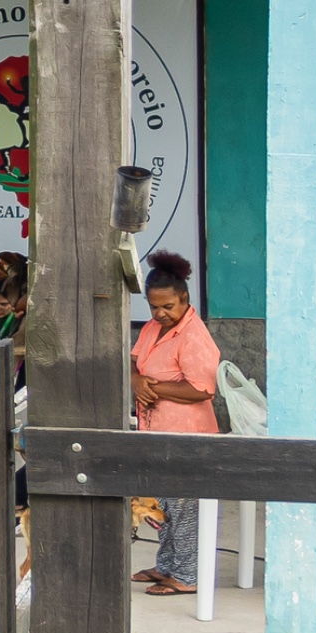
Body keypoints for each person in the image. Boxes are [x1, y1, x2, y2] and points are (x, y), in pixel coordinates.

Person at [130, 250, 220, 598]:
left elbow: (202, 389)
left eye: (169, 306)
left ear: (185, 298)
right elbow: (136, 359)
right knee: (163, 504)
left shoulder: (194, 336)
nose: (161, 313)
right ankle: (166, 565)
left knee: (184, 507)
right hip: (156, 432)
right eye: (154, 307)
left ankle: (187, 575)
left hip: (188, 435)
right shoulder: (154, 328)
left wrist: (154, 387)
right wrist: (136, 380)